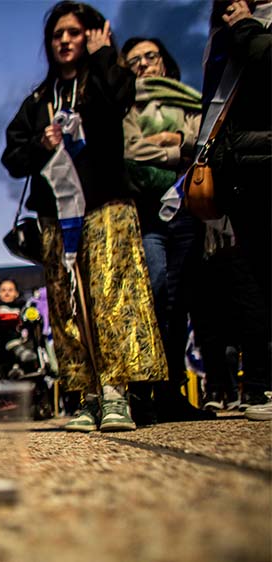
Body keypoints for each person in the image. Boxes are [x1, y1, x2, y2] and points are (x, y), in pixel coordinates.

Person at [1, 1, 165, 432]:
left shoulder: (104, 78)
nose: (65, 41)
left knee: (113, 297)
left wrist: (104, 54)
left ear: (88, 35)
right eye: (57, 35)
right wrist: (41, 142)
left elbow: (123, 97)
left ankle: (117, 394)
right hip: (59, 219)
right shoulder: (38, 100)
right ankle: (88, 396)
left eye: (73, 33)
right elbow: (12, 158)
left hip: (107, 206)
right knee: (68, 303)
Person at [120, 37, 213, 422]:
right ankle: (143, 390)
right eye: (134, 61)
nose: (143, 65)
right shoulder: (127, 107)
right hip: (146, 214)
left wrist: (165, 142)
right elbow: (130, 151)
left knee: (180, 299)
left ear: (164, 61)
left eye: (150, 56)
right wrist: (177, 147)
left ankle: (171, 390)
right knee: (153, 291)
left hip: (187, 210)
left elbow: (201, 138)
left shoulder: (188, 99)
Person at [202, 0, 271, 420]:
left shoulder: (246, 25)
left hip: (262, 154)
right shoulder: (220, 35)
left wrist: (246, 27)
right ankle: (263, 385)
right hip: (241, 169)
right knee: (258, 279)